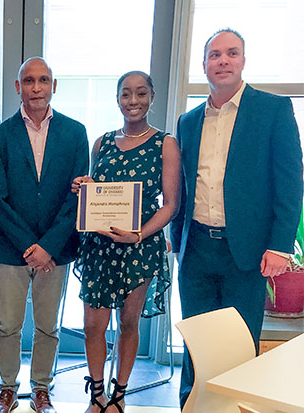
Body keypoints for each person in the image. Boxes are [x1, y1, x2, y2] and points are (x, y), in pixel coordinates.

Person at [171, 28, 303, 409]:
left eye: (231, 53)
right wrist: (179, 241)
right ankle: (192, 407)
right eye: (215, 55)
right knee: (196, 344)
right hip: (196, 250)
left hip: (247, 254)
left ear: (243, 61)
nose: (223, 61)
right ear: (205, 65)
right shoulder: (189, 121)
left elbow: (289, 182)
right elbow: (183, 183)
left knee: (240, 345)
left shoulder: (273, 110)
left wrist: (280, 246)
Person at [0, 57, 89, 413]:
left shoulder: (75, 133)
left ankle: (41, 389)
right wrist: (30, 246)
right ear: (18, 87)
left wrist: (48, 246)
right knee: (8, 325)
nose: (36, 87)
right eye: (28, 80)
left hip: (56, 249)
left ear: (54, 86)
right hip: (10, 247)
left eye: (44, 80)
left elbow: (77, 197)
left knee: (48, 326)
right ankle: (7, 389)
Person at [72, 71, 180, 413]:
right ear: (117, 98)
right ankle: (97, 394)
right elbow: (97, 192)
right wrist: (83, 187)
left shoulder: (166, 143)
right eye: (126, 94)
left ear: (152, 96)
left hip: (138, 247)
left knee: (129, 323)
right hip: (100, 248)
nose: (133, 101)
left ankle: (119, 396)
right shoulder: (101, 142)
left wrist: (139, 234)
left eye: (141, 93)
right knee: (93, 326)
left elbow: (171, 205)